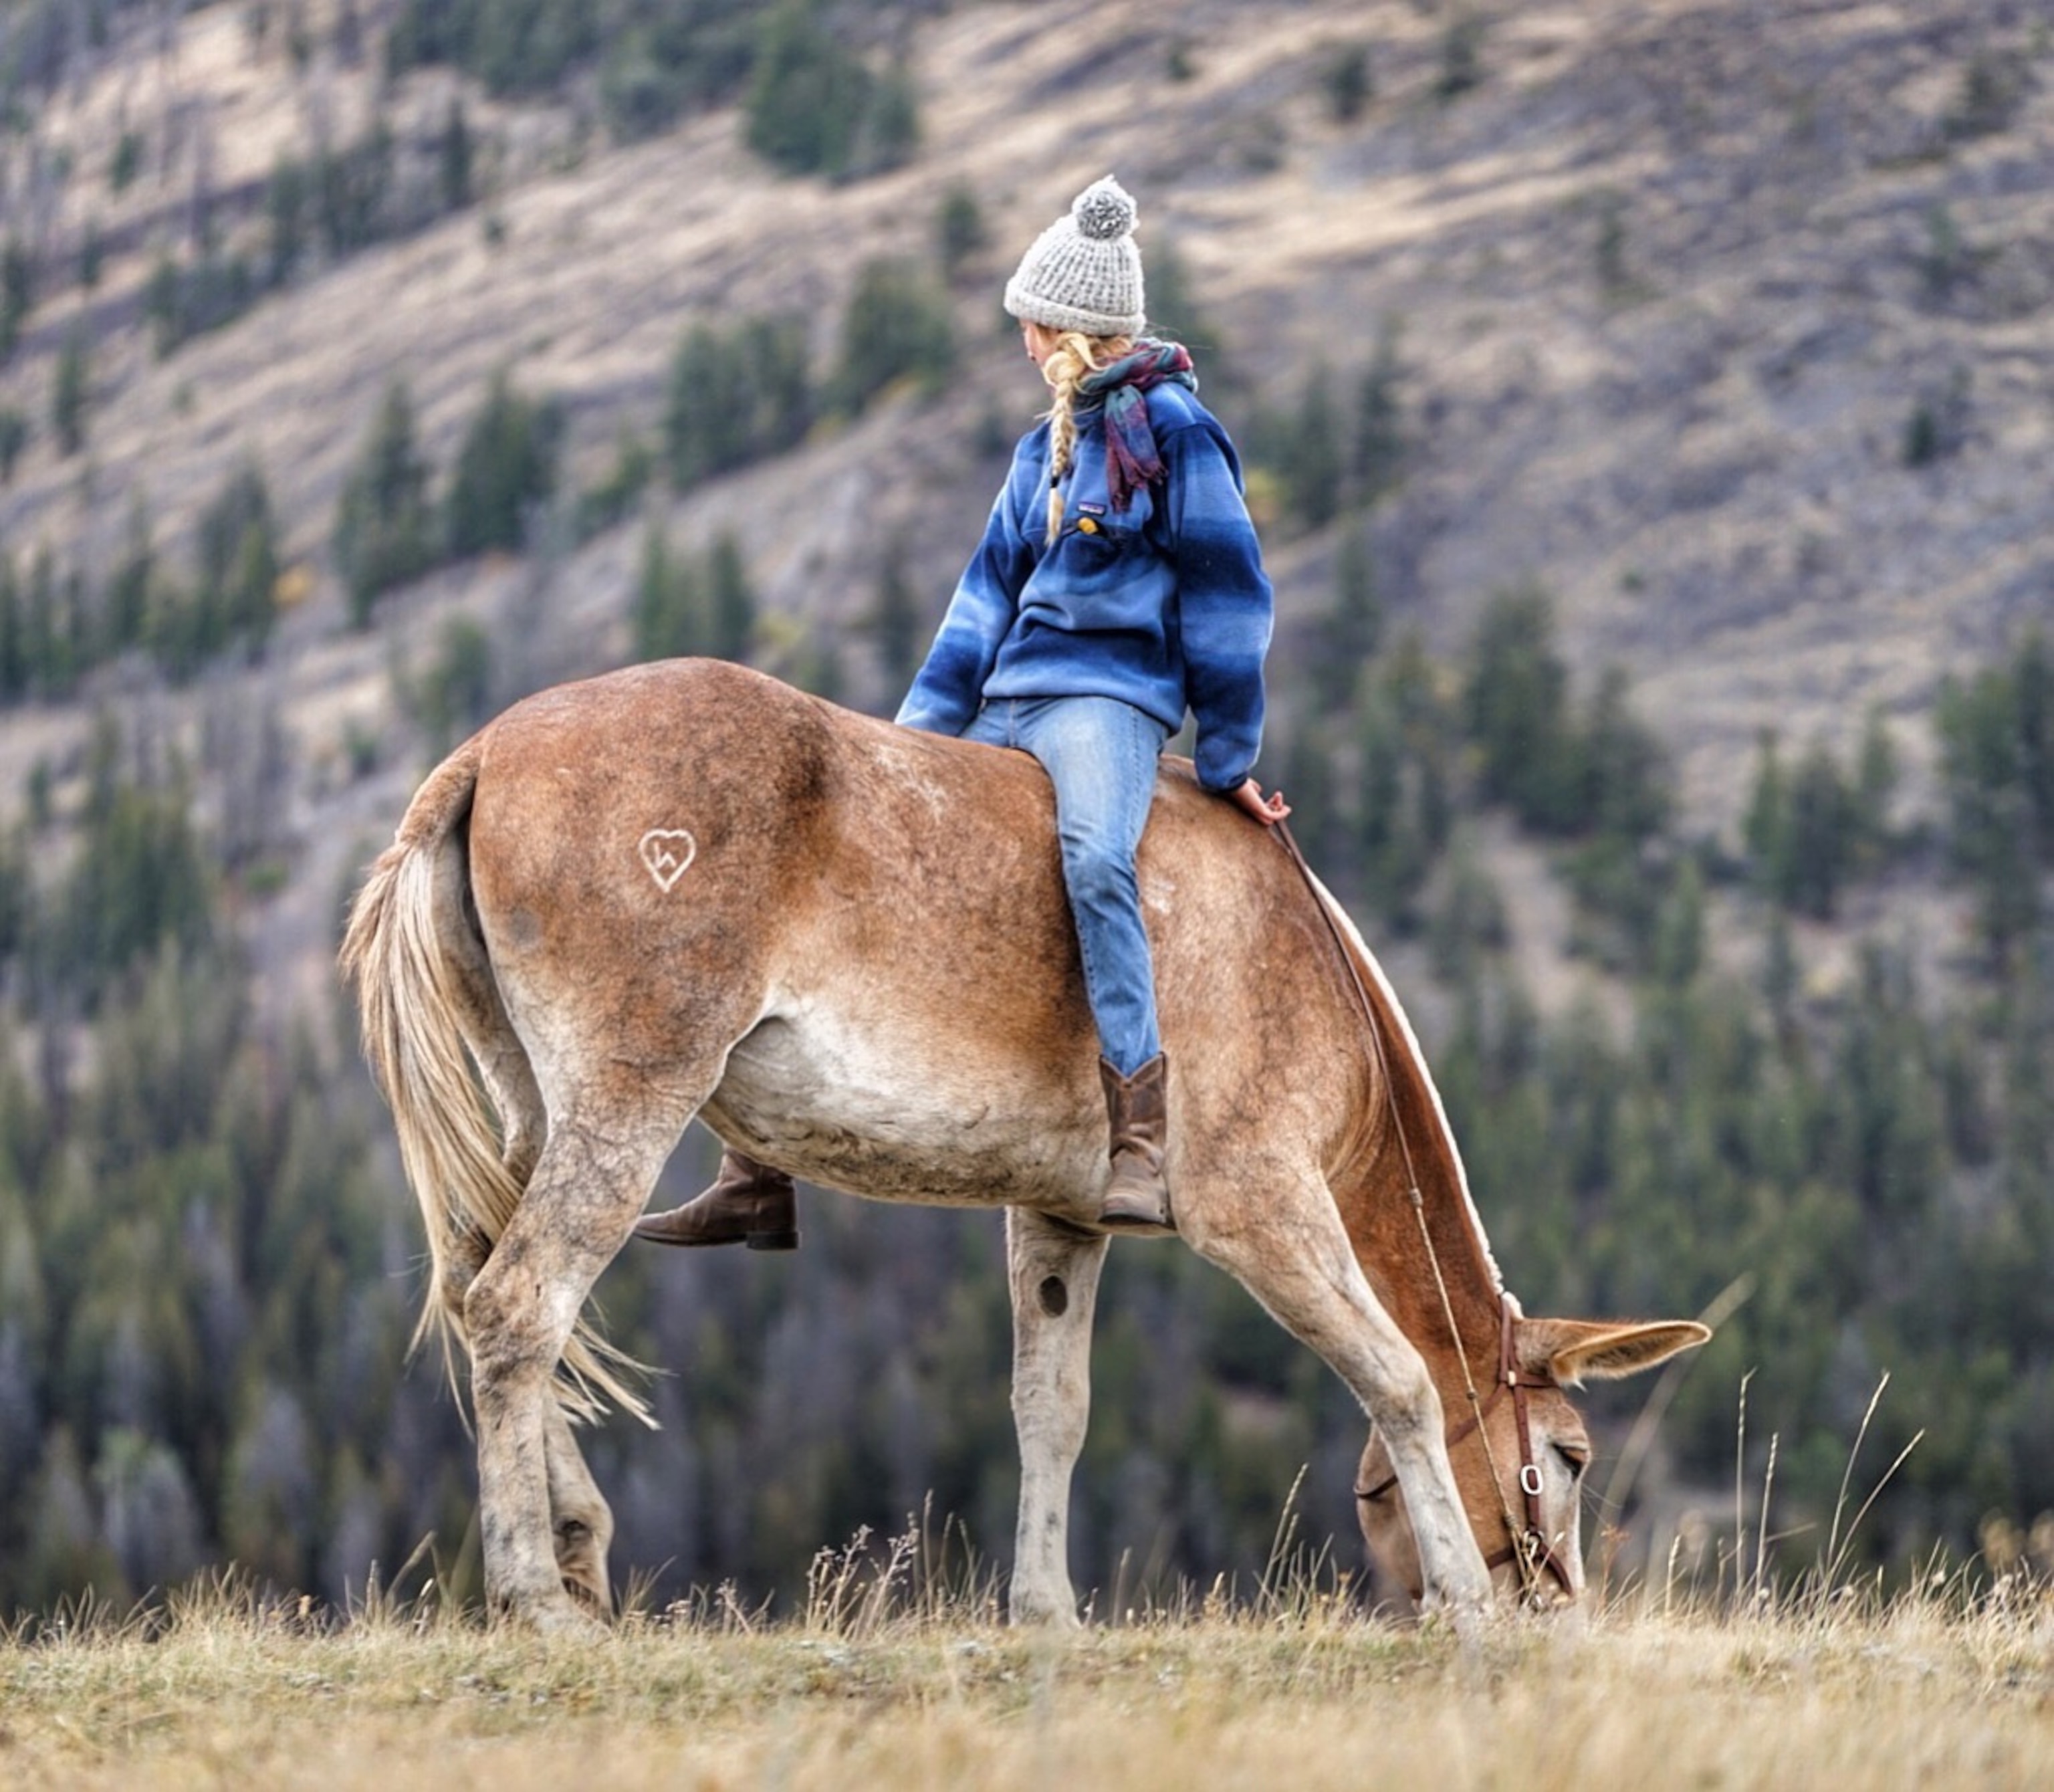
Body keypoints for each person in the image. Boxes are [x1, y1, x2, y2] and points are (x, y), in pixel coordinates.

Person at [637, 175, 1284, 1252]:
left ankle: (1138, 1128)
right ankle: (758, 1169)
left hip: (1107, 703)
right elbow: (980, 601)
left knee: (1096, 861)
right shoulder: (1044, 449)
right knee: (857, 854)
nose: (1025, 342)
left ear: (1074, 326)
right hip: (1010, 698)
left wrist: (1227, 761)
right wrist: (901, 748)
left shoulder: (1179, 433)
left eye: (1035, 323)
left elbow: (1231, 594)